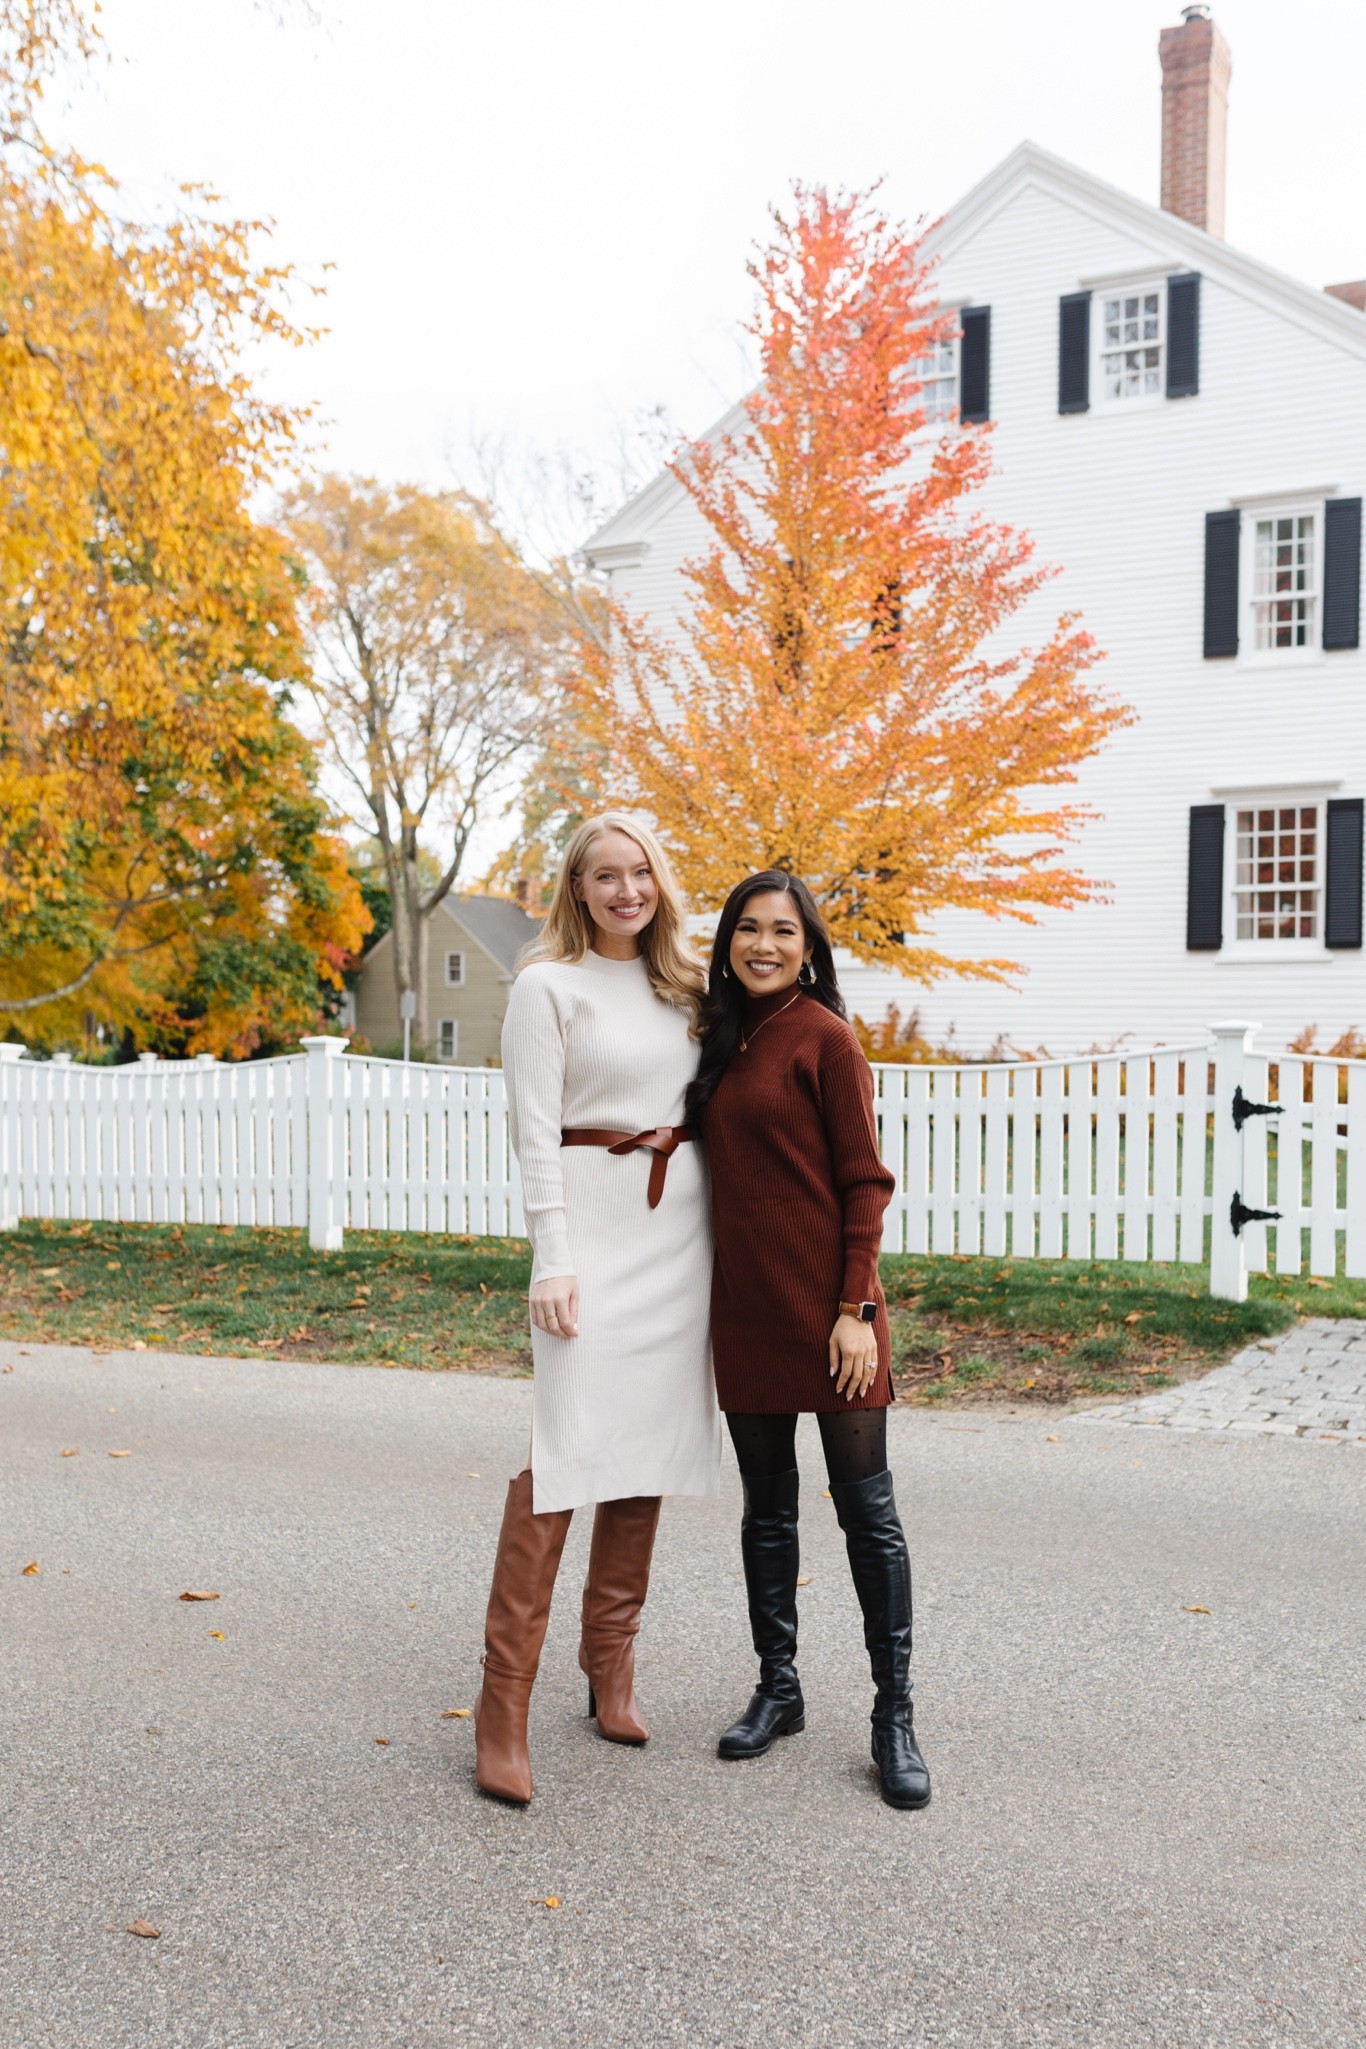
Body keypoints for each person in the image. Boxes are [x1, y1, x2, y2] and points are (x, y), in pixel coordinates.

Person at [473, 812, 721, 1806]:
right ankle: (501, 1707)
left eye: (640, 872)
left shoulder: (686, 988)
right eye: (605, 875)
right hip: (592, 1237)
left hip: (679, 1244)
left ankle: (609, 1664)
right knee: (565, 1450)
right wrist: (554, 1257)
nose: (626, 891)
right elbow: (534, 1134)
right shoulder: (546, 987)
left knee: (646, 1447)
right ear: (577, 888)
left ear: (660, 882)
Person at [686, 870, 930, 1810]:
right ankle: (778, 1688)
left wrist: (857, 1308)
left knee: (868, 1516)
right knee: (768, 1512)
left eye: (783, 931)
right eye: (748, 928)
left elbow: (866, 1180)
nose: (764, 945)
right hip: (746, 1309)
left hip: (834, 1318)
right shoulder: (720, 1037)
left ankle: (893, 1716)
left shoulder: (826, 1037)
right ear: (727, 943)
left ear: (810, 946)